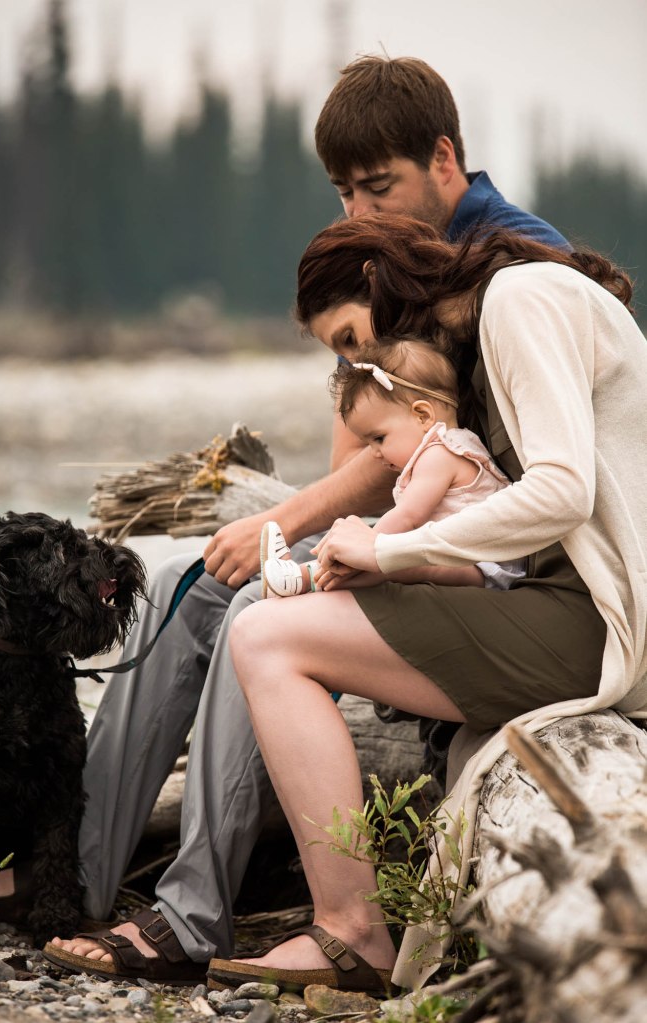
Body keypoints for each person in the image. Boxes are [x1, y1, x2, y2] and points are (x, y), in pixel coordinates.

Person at [43, 55, 571, 984]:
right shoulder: (396, 258)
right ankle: (77, 874)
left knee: (258, 615)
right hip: (420, 545)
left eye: (380, 186)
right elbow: (364, 438)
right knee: (188, 580)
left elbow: (419, 451)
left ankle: (189, 914)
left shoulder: (509, 269)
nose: (360, 212)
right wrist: (291, 528)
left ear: (445, 159)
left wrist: (286, 523)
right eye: (344, 192)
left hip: (495, 578)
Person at [204, 212, 646, 994]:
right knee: (274, 624)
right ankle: (348, 921)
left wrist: (393, 551)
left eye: (349, 340)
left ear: (377, 285)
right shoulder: (480, 340)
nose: (360, 366)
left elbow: (564, 492)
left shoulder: (518, 299)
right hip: (571, 606)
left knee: (267, 637)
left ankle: (350, 931)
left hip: (605, 627)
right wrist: (398, 563)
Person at [262, 337, 524, 597]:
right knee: (381, 561)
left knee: (388, 562)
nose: (374, 453)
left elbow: (408, 517)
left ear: (422, 415)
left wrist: (365, 541)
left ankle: (301, 577)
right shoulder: (445, 448)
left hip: (485, 567)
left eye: (379, 439)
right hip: (462, 556)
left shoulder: (440, 454)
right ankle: (302, 576)